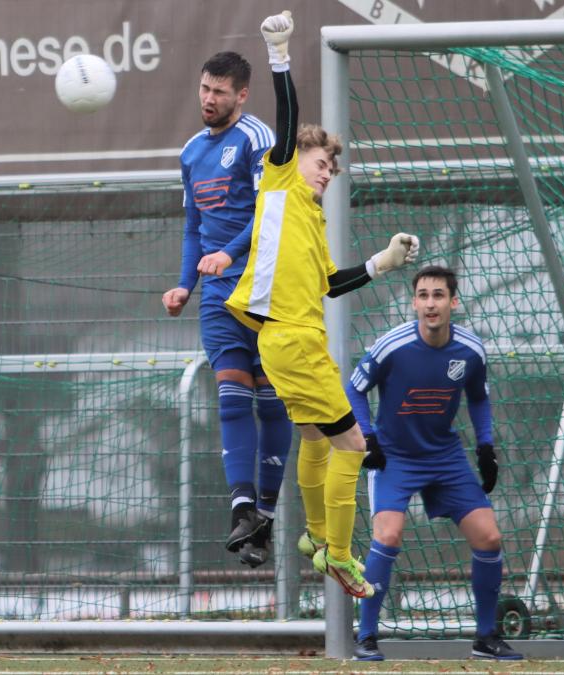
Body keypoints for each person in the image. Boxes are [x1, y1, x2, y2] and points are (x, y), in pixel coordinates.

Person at [225, 10, 418, 599]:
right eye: (323, 163)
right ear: (296, 158)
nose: (329, 172)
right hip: (290, 340)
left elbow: (330, 284)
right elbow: (288, 120)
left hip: (292, 340)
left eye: (333, 167)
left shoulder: (307, 218)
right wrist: (279, 51)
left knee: (314, 440)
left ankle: (314, 538)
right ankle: (338, 554)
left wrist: (380, 264)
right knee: (353, 446)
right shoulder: (281, 178)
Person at [345, 265, 522, 661]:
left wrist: (485, 448)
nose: (430, 303)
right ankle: (367, 636)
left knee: (489, 537)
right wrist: (368, 438)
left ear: (453, 302)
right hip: (395, 457)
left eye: (438, 295)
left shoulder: (471, 350)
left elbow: (478, 396)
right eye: (423, 295)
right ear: (414, 302)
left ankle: (486, 637)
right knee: (387, 536)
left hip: (444, 456)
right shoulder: (392, 345)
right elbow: (354, 389)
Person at [161, 50, 292, 568]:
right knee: (232, 396)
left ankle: (266, 514)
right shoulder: (191, 152)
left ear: (242, 94)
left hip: (265, 286)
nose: (208, 99)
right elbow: (194, 228)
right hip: (217, 294)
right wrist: (184, 285)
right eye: (204, 89)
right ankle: (243, 510)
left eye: (219, 92)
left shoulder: (258, 139)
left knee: (271, 403)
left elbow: (270, 213)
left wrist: (231, 252)